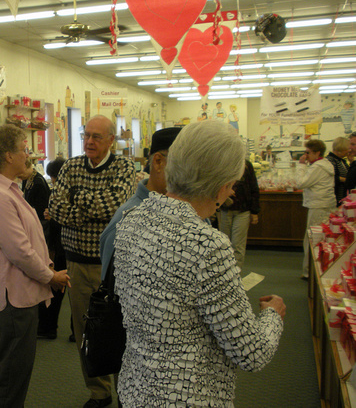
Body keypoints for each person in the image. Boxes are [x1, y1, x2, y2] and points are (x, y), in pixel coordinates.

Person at [114, 120, 286, 407]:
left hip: (136, 387)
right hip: (189, 396)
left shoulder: (131, 219)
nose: (232, 191)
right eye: (232, 183)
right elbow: (251, 353)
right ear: (220, 186)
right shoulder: (207, 244)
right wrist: (273, 316)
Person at [0, 125, 70, 408]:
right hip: (11, 297)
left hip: (18, 293)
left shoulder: (6, 189)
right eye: (23, 149)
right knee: (12, 375)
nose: (28, 154)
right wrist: (50, 276)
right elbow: (19, 251)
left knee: (17, 371)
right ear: (7, 156)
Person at [48, 115, 135, 408]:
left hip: (113, 265)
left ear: (111, 139)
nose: (89, 142)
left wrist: (76, 198)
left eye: (97, 137)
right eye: (86, 135)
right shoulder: (71, 166)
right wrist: (87, 207)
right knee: (86, 330)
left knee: (121, 329)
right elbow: (56, 209)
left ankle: (128, 391)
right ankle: (99, 392)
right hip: (77, 264)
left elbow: (114, 205)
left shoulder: (123, 167)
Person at [100, 127, 182, 280]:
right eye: (185, 166)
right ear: (158, 162)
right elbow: (111, 287)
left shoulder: (190, 212)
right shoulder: (126, 220)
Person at [36, 157, 67, 340]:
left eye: (53, 177)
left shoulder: (59, 193)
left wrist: (52, 217)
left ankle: (47, 328)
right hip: (63, 247)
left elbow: (61, 224)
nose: (52, 181)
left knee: (55, 289)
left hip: (58, 248)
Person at [296, 139, 336, 279]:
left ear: (317, 153)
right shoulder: (324, 165)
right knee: (319, 238)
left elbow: (301, 183)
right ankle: (314, 270)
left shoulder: (318, 167)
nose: (305, 156)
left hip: (318, 206)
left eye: (308, 153)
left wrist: (300, 166)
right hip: (323, 204)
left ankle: (309, 272)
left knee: (312, 239)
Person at [219, 159, 260, 268]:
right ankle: (224, 272)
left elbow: (253, 188)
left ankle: (236, 275)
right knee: (224, 244)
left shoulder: (246, 165)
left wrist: (254, 211)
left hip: (243, 210)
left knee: (238, 245)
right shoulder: (221, 163)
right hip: (224, 209)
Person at [18, 159, 50, 224]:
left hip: (38, 220)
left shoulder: (38, 182)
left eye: (21, 172)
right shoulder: (26, 179)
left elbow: (40, 208)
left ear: (28, 168)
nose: (19, 176)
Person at [326, 136, 350, 206]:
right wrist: (346, 180)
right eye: (347, 149)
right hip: (334, 198)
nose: (349, 151)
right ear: (341, 148)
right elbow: (330, 178)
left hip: (342, 196)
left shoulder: (342, 160)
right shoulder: (330, 160)